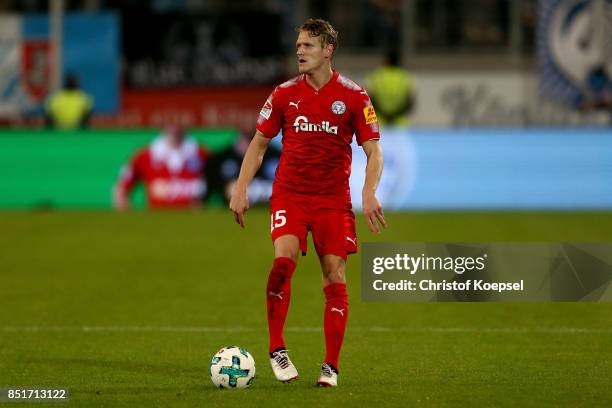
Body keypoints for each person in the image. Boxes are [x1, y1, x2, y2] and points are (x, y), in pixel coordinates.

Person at [229, 18, 386, 387]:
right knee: (282, 263)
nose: (300, 51)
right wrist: (241, 187)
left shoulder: (354, 96)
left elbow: (374, 151)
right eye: (298, 45)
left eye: (308, 46)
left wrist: (368, 191)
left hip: (332, 201)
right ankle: (276, 348)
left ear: (328, 50)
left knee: (334, 276)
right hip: (290, 195)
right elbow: (259, 142)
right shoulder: (283, 94)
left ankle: (330, 366)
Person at [113, 124, 209, 210]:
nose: (173, 128)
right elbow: (121, 188)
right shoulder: (144, 156)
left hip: (194, 220)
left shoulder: (202, 154)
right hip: (156, 220)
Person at [205, 132, 281, 207]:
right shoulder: (224, 156)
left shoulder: (274, 153)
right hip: (239, 190)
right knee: (233, 189)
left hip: (265, 188)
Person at [365, 49, 416, 127]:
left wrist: (384, 115)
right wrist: (395, 116)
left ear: (386, 61)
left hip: (379, 121)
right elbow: (410, 101)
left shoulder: (377, 75)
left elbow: (368, 100)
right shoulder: (404, 77)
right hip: (400, 122)